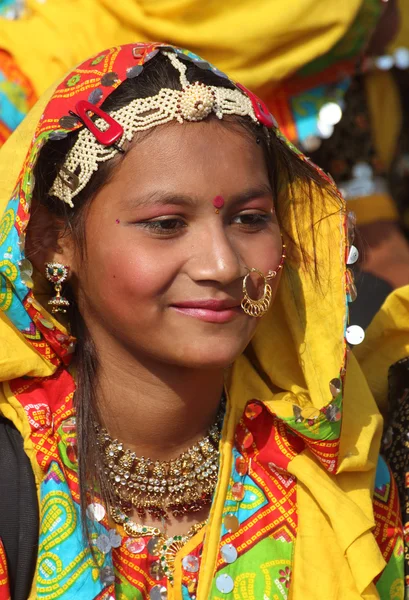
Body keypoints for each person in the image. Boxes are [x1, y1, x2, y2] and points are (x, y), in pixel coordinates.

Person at [0, 42, 405, 600]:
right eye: (166, 224)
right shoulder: (15, 479)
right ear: (55, 241)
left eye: (250, 219)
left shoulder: (340, 477)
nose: (221, 264)